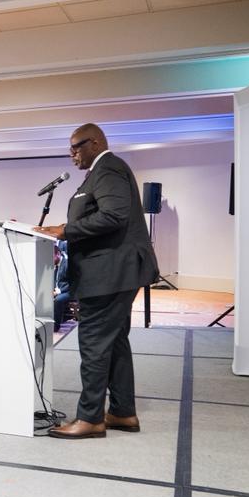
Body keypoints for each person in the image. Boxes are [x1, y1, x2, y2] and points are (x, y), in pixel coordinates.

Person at [35, 122, 159, 439]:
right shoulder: (100, 172)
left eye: (76, 146)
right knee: (114, 344)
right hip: (112, 273)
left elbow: (113, 215)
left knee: (93, 344)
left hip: (109, 274)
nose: (71, 154)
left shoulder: (109, 168)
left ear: (95, 142)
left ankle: (90, 418)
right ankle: (122, 412)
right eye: (70, 148)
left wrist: (65, 230)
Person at [53, 242, 71, 326]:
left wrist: (59, 291)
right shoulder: (55, 265)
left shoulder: (67, 264)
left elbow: (73, 283)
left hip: (68, 291)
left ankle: (56, 326)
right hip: (58, 290)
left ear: (58, 254)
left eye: (52, 257)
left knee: (58, 300)